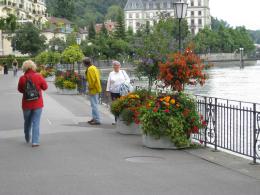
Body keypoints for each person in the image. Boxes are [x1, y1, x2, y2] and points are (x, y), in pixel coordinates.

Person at [18, 60, 48, 147]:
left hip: (26, 104)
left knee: (27, 122)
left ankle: (27, 137)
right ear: (33, 67)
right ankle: (35, 141)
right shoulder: (38, 76)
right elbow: (45, 87)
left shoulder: (22, 78)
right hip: (37, 103)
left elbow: (20, 90)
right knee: (36, 122)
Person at [83, 57, 102, 125]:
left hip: (93, 89)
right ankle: (94, 118)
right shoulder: (93, 67)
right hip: (96, 88)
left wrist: (89, 88)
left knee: (94, 104)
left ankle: (97, 119)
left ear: (85, 63)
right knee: (94, 104)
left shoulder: (90, 69)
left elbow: (92, 80)